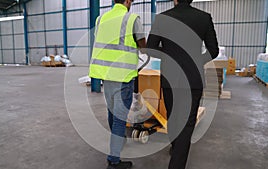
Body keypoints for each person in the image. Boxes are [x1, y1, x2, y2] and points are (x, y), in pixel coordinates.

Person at [147, 0, 219, 169]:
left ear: (174, 0)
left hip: (170, 78)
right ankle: (178, 154)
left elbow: (150, 48)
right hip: (193, 78)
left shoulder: (162, 18)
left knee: (173, 117)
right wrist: (195, 61)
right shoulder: (204, 18)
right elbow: (213, 50)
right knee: (186, 124)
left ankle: (176, 148)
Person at [89, 0, 146, 168]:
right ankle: (114, 161)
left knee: (112, 113)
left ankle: (117, 141)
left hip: (105, 76)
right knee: (120, 119)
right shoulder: (132, 19)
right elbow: (143, 46)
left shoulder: (100, 19)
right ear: (128, 1)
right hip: (123, 76)